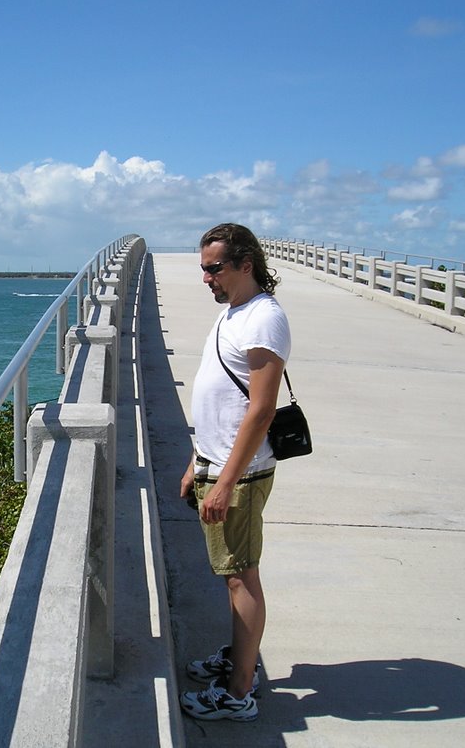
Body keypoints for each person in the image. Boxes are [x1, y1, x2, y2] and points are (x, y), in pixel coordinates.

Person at [178, 223, 291, 722]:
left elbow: (261, 410)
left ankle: (238, 692)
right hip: (217, 462)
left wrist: (223, 481)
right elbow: (220, 398)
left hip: (239, 475)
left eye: (214, 267)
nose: (206, 278)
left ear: (246, 264)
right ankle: (239, 656)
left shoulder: (263, 319)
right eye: (203, 268)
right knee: (234, 576)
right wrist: (195, 462)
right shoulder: (234, 313)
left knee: (241, 579)